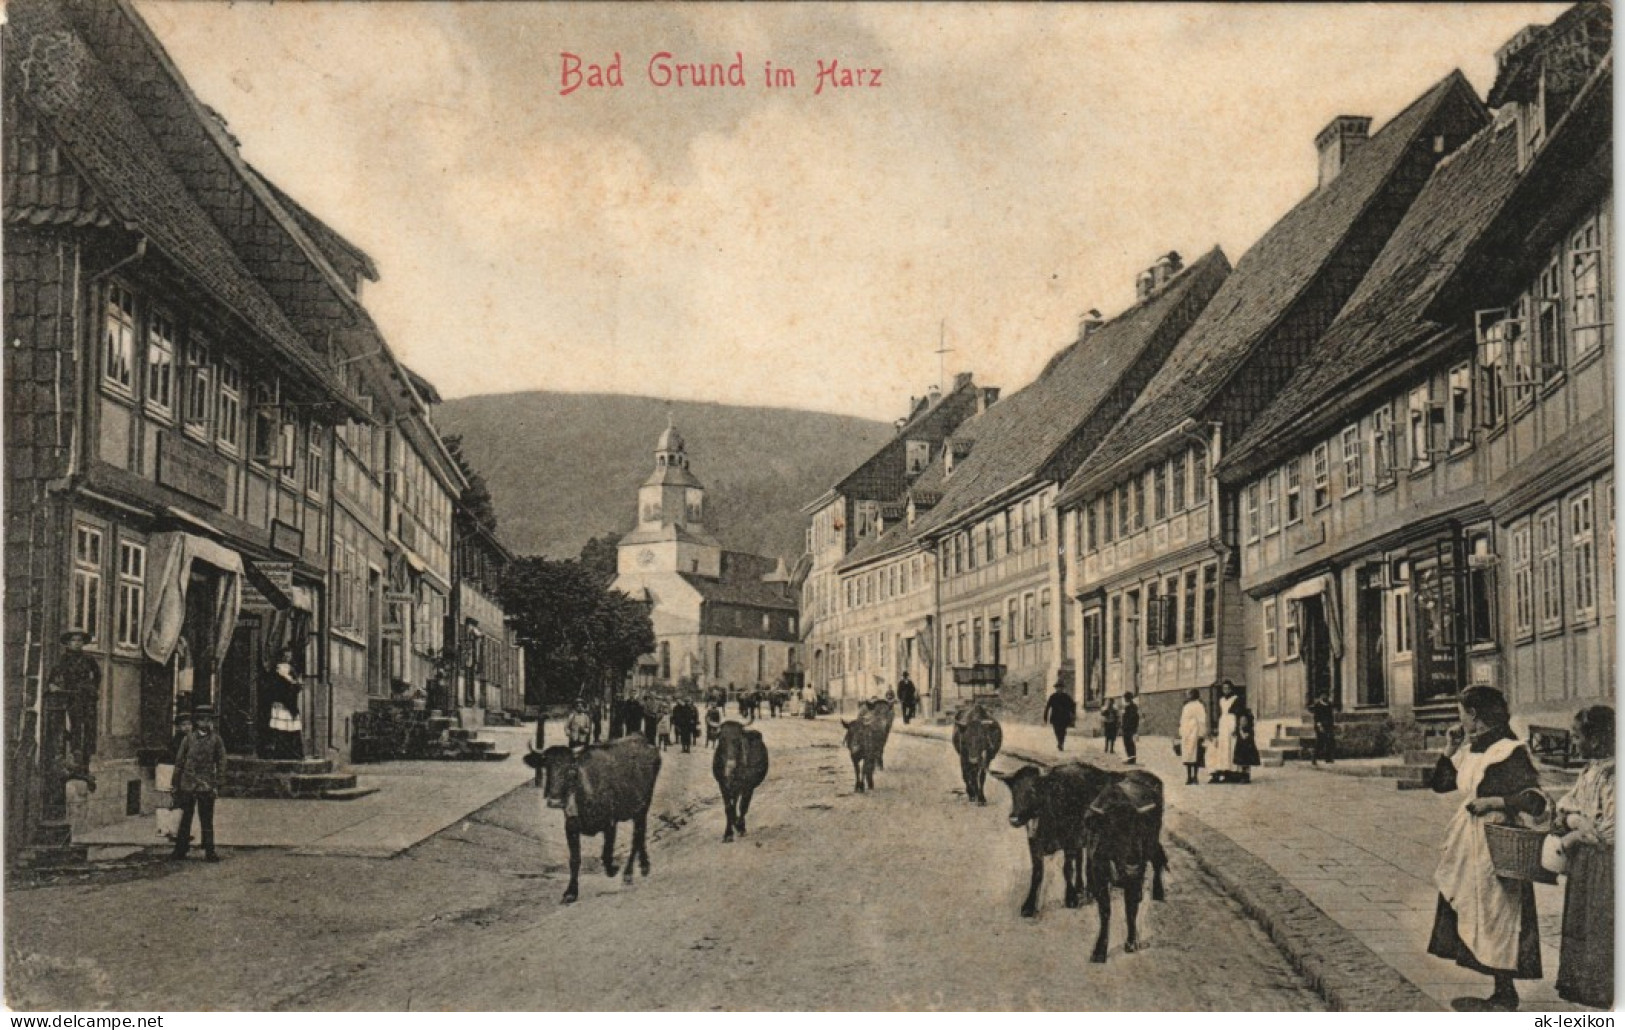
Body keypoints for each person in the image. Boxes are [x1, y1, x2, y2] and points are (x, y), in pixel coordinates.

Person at [1426, 685, 1544, 1011]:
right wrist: (1450, 748)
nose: (1459, 720)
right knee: (1476, 909)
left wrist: (1495, 801)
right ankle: (1499, 992)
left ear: (1474, 715)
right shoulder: (1473, 749)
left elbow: (1535, 800)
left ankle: (1506, 992)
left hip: (1499, 842)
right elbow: (1440, 784)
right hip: (1470, 843)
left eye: (1460, 714)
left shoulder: (1509, 751)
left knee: (1499, 912)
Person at [1550, 705, 1613, 1009]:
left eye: (1577, 737)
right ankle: (1583, 986)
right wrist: (1576, 821)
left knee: (1603, 923)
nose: (1574, 743)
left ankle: (1605, 991)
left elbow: (1611, 829)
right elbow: (1565, 805)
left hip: (1609, 863)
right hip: (1586, 863)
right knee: (1582, 923)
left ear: (1598, 740)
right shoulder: (1590, 771)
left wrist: (1575, 833)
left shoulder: (1615, 774)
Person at [170, 706, 228, 862]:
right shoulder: (188, 739)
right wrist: (175, 782)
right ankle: (180, 850)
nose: (205, 722)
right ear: (197, 721)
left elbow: (222, 761)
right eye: (202, 719)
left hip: (206, 784)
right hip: (188, 783)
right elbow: (179, 761)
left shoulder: (216, 740)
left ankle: (210, 851)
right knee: (185, 818)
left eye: (208, 720)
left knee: (206, 819)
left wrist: (218, 781)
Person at [48, 630, 102, 779]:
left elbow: (97, 674)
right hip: (72, 698)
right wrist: (53, 685)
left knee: (89, 729)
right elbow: (53, 675)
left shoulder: (89, 658)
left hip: (88, 698)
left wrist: (93, 688)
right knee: (76, 728)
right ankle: (75, 763)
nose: (77, 643)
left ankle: (86, 765)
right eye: (74, 640)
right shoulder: (64, 659)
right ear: (68, 643)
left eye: (79, 640)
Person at [262, 649, 304, 760]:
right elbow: (273, 687)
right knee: (279, 728)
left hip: (290, 703)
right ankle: (279, 752)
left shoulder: (292, 670)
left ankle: (292, 753)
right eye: (285, 656)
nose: (287, 658)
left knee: (292, 728)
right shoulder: (276, 670)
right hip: (280, 702)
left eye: (289, 656)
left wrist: (296, 684)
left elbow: (298, 686)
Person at [1209, 680, 1239, 783]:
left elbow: (1237, 714)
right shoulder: (1221, 700)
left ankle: (1231, 772)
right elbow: (1219, 713)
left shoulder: (1235, 699)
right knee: (1222, 748)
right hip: (1223, 723)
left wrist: (1236, 727)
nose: (1226, 690)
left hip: (1231, 722)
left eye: (1228, 688)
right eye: (1224, 688)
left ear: (1231, 689)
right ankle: (1223, 770)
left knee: (1230, 746)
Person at [1178, 689, 1207, 785]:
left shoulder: (1199, 706)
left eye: (1189, 694)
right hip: (1187, 732)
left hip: (1195, 731)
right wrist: (1181, 730)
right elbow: (1182, 719)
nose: (1187, 696)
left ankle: (1195, 776)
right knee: (1187, 755)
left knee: (1196, 754)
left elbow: (1202, 720)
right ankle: (1189, 776)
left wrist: (1201, 733)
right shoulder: (1186, 706)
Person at [1232, 698, 1261, 784]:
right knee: (1241, 761)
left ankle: (1246, 776)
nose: (1242, 722)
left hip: (1247, 746)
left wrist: (1240, 730)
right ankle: (1241, 775)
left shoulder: (1248, 729)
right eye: (1240, 721)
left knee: (1246, 761)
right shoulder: (1239, 725)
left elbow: (1245, 736)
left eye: (1244, 721)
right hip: (1240, 745)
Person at [1043, 681, 1076, 751]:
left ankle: (1061, 743)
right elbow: (1048, 706)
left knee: (1063, 731)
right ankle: (1059, 742)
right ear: (1056, 689)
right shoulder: (1053, 697)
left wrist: (1073, 713)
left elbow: (1072, 705)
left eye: (1061, 688)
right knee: (1057, 730)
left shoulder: (1066, 696)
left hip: (1064, 717)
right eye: (1058, 688)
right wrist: (1045, 716)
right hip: (1055, 717)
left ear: (1063, 688)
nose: (1059, 689)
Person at [1308, 691, 1337, 766]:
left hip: (1328, 725)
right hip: (1320, 726)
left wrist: (1332, 725)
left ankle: (1328, 758)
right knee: (1320, 742)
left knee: (1330, 741)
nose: (1325, 697)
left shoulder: (1329, 705)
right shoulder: (1318, 705)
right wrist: (1319, 726)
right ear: (1321, 696)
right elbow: (1316, 717)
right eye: (1323, 696)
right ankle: (1314, 758)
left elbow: (1331, 716)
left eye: (1326, 696)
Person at [1120, 694, 1140, 764]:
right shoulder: (1129, 706)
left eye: (1125, 698)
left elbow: (1133, 718)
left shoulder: (1131, 707)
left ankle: (1131, 759)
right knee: (1128, 743)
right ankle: (1131, 758)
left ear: (1128, 699)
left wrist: (1127, 726)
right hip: (1128, 728)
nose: (1124, 700)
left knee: (1129, 743)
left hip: (1129, 728)